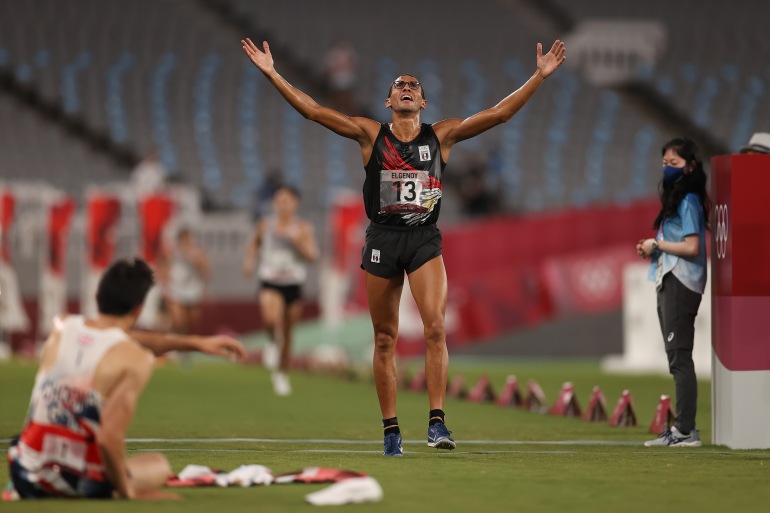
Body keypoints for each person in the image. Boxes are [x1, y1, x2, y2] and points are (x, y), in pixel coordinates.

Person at [241, 36, 566, 455]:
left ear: (424, 103)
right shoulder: (369, 135)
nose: (407, 87)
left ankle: (437, 424)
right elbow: (313, 111)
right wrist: (273, 74)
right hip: (382, 240)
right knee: (384, 339)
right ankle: (391, 429)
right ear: (389, 99)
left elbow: (499, 114)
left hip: (423, 240)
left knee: (435, 328)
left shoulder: (442, 137)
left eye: (414, 85)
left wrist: (538, 77)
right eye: (399, 85)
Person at [7, 258, 246, 500]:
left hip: (23, 471)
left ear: (97, 297)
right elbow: (108, 439)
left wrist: (195, 343)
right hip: (75, 481)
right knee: (158, 466)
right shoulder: (137, 359)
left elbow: (113, 337)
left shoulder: (61, 326)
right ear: (138, 310)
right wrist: (128, 492)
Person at [636, 138, 710, 448]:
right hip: (669, 278)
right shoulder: (677, 199)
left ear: (690, 166)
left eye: (674, 164)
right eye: (665, 163)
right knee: (676, 358)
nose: (667, 169)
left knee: (680, 358)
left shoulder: (689, 199)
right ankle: (682, 430)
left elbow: (692, 246)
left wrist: (658, 245)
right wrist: (651, 249)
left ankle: (685, 431)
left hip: (682, 281)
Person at [243, 185, 319, 396]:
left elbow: (313, 256)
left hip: (293, 283)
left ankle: (282, 373)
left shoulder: (302, 227)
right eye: (278, 200)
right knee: (269, 318)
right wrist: (249, 261)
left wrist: (298, 243)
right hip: (270, 279)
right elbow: (254, 244)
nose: (281, 204)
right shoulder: (265, 224)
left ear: (295, 203)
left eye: (286, 200)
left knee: (288, 333)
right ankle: (270, 341)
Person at [159, 227, 210, 343]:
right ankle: (169, 344)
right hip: (176, 289)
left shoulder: (198, 251)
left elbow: (206, 271)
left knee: (191, 322)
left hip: (193, 290)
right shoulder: (172, 251)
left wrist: (198, 261)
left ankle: (185, 348)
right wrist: (164, 280)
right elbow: (163, 266)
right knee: (178, 321)